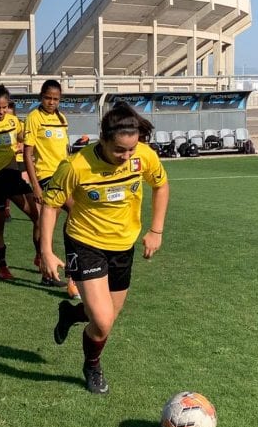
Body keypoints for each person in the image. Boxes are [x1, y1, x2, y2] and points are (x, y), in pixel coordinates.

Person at [39, 102, 170, 394]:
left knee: (107, 317)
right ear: (103, 139)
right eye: (119, 150)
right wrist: (46, 251)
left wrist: (156, 229)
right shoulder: (77, 166)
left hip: (123, 246)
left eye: (131, 150)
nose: (126, 157)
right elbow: (50, 205)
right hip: (85, 242)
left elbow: (161, 186)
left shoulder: (143, 157)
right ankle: (92, 365)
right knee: (102, 320)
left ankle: (72, 314)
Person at [0, 84, 40, 281]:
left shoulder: (14, 121)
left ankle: (40, 256)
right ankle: (2, 266)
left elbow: (25, 138)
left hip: (14, 176)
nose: (1, 111)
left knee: (38, 217)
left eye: (4, 107)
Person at [23, 79, 80, 299]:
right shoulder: (33, 118)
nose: (52, 102)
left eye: (56, 99)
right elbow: (28, 154)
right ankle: (56, 267)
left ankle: (45, 265)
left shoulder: (61, 118)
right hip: (47, 176)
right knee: (70, 214)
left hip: (65, 175)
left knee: (45, 222)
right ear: (41, 97)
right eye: (48, 98)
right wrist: (35, 184)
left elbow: (63, 150)